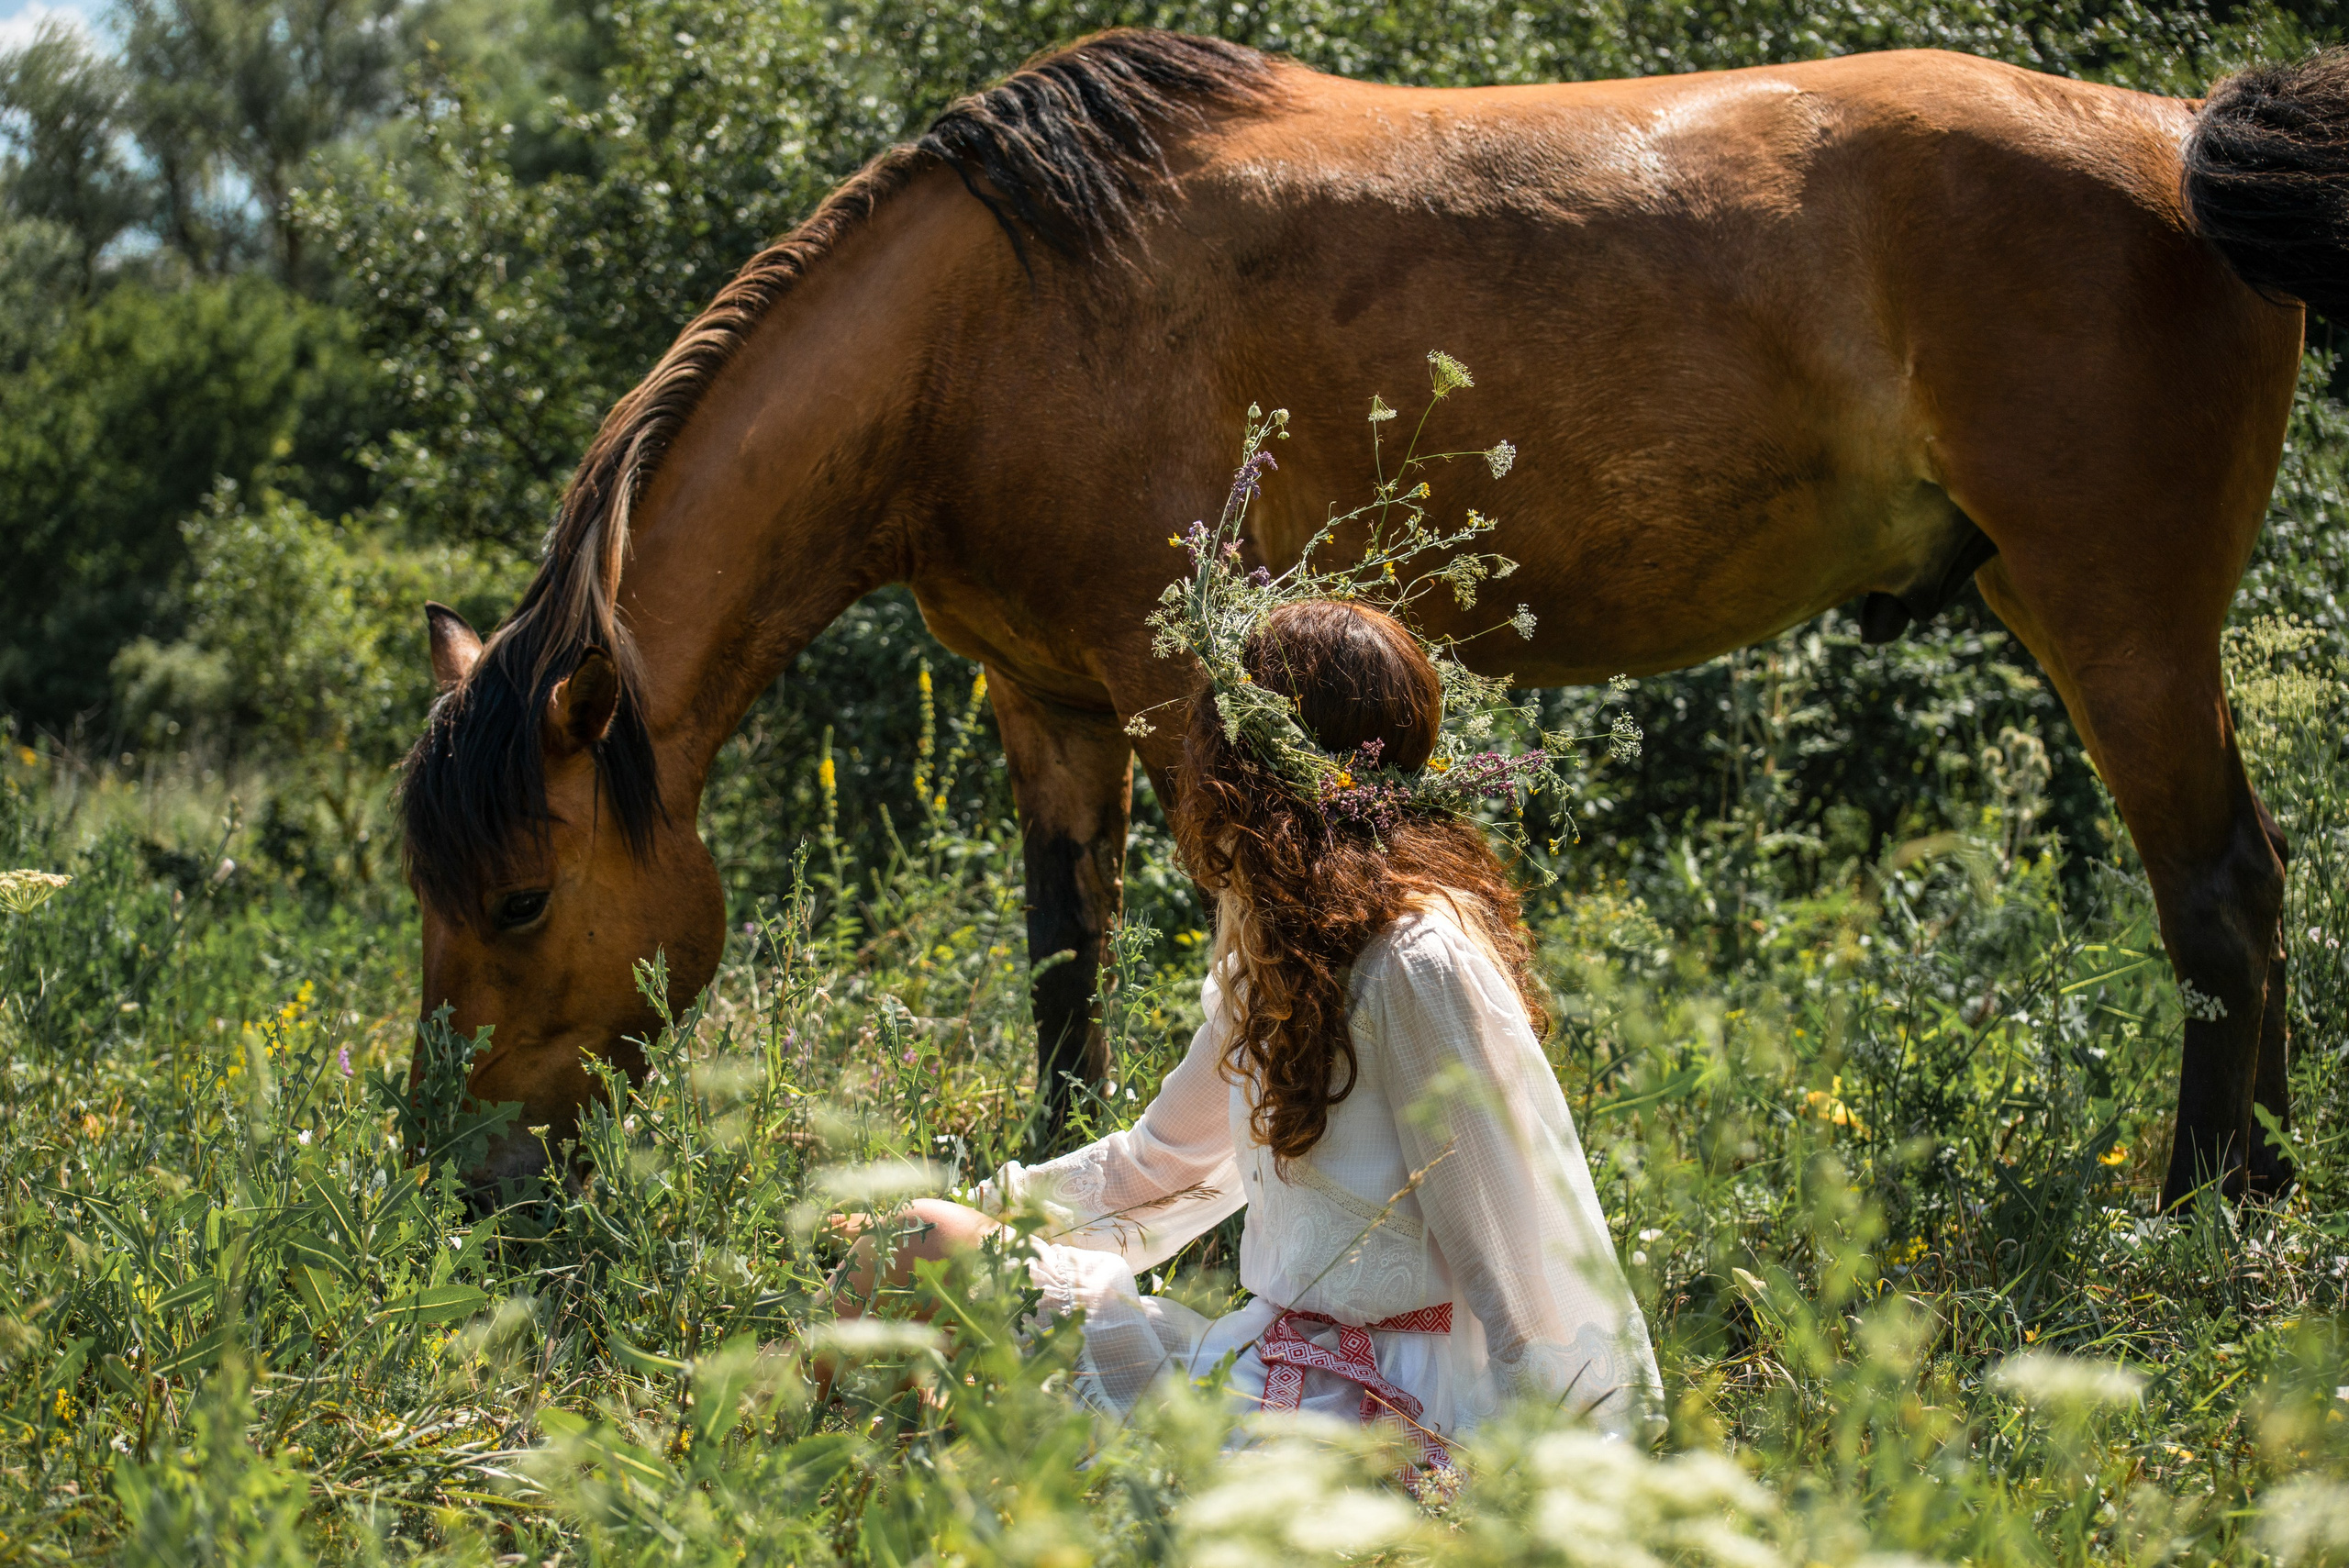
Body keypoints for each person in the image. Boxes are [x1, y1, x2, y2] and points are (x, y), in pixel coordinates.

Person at [829, 599, 1660, 1470]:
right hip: (1270, 1368)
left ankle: (808, 1459)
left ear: (1246, 765)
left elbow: (1518, 1247)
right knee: (912, 1242)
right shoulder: (1282, 947)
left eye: (1211, 738)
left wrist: (1564, 1470)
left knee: (918, 1246)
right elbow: (1162, 1164)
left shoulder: (1416, 958)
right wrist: (969, 1213)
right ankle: (843, 1465)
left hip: (1386, 1413)